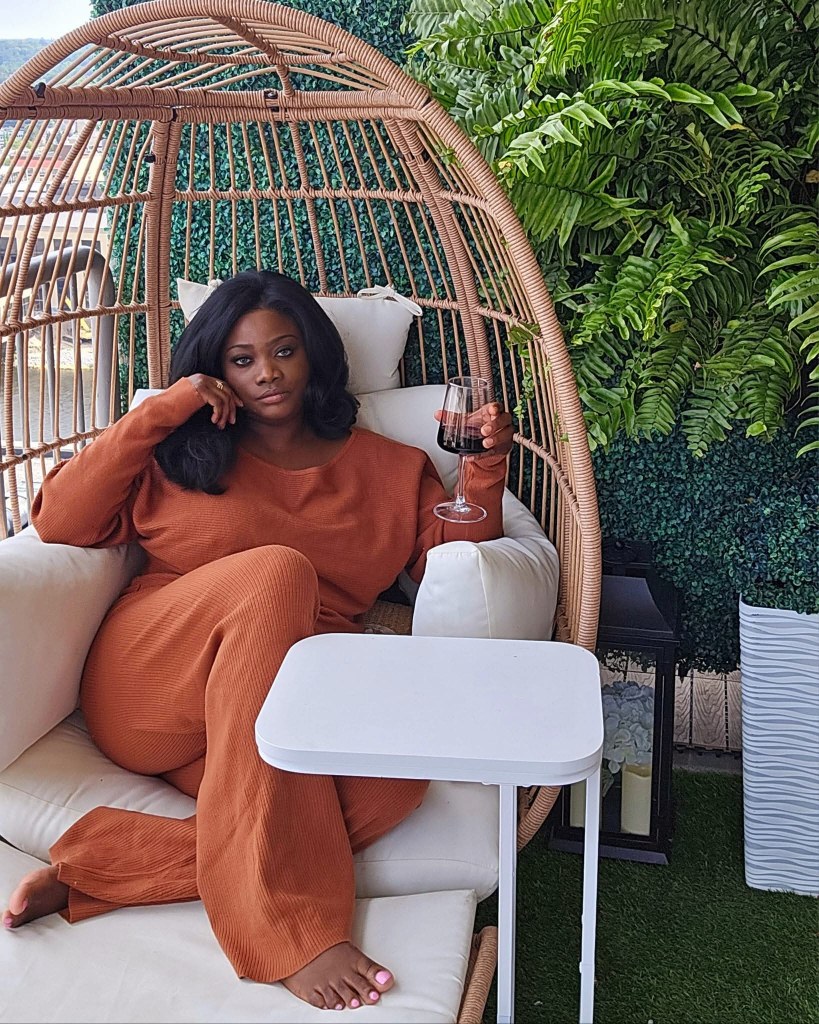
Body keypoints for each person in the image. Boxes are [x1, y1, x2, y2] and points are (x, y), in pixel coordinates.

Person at [2, 270, 512, 1011]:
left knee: (394, 784)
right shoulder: (181, 452)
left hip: (273, 720)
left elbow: (446, 566)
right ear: (216, 368)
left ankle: (102, 868)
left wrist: (483, 469)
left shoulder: (392, 469)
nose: (266, 374)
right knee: (276, 572)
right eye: (241, 360)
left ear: (314, 357)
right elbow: (59, 523)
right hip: (155, 685)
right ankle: (286, 928)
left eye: (283, 351)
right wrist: (159, 413)